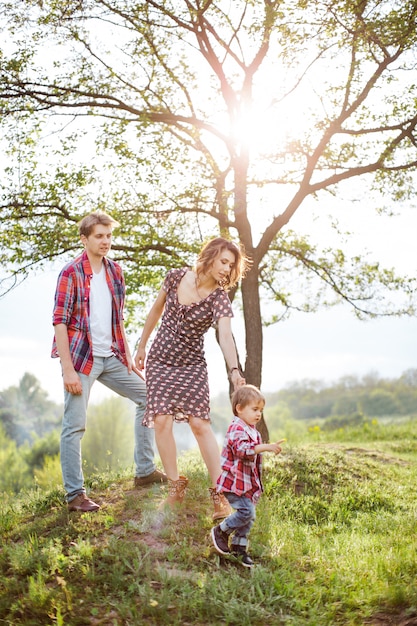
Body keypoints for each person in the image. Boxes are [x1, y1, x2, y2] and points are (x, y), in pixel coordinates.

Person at [52, 210, 166, 513]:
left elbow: (118, 320)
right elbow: (60, 322)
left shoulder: (115, 272)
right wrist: (67, 370)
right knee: (74, 425)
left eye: (109, 236)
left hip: (111, 356)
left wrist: (128, 356)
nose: (105, 242)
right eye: (99, 236)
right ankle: (75, 494)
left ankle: (145, 471)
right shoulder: (71, 273)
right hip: (81, 358)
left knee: (147, 396)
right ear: (84, 239)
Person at [134, 237, 249, 520]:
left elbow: (225, 336)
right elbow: (156, 310)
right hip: (160, 360)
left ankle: (219, 493)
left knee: (199, 423)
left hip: (192, 365)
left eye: (231, 266)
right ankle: (175, 487)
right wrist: (141, 344)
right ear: (210, 256)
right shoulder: (175, 277)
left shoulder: (220, 299)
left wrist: (235, 371)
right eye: (223, 261)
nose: (226, 269)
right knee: (161, 420)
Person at [211, 384, 284, 568]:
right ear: (239, 408)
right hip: (234, 482)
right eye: (254, 409)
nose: (259, 414)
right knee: (246, 512)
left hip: (246, 483)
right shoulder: (237, 427)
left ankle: (239, 547)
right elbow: (243, 450)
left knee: (249, 517)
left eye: (261, 410)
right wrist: (266, 447)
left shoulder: (253, 430)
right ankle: (221, 531)